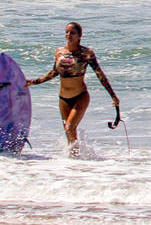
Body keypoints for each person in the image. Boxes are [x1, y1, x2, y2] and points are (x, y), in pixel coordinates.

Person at [26, 22, 119, 154]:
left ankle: (76, 159)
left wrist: (113, 96)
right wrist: (34, 82)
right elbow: (54, 72)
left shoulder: (87, 53)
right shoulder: (59, 52)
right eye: (67, 32)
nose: (68, 35)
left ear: (79, 35)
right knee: (69, 132)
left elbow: (100, 75)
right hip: (63, 98)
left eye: (72, 33)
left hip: (80, 96)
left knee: (69, 127)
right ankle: (75, 162)